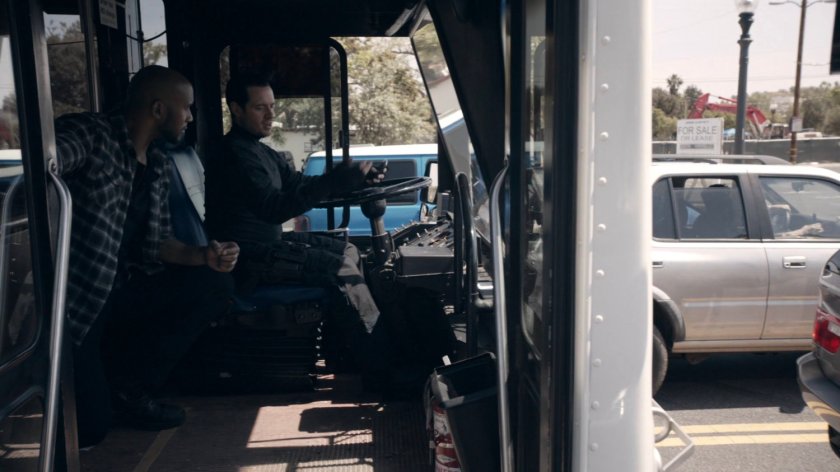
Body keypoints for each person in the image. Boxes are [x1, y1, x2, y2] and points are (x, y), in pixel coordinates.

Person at [52, 65, 240, 446]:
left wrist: (205, 256)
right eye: (185, 107)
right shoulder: (93, 135)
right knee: (89, 430)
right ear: (158, 110)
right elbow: (44, 164)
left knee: (214, 284)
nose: (190, 116)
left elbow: (157, 244)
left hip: (122, 289)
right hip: (80, 300)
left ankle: (130, 387)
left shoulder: (156, 165)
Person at [204, 73, 388, 380]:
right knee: (341, 271)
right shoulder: (234, 155)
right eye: (260, 108)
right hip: (247, 258)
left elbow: (300, 184)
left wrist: (353, 180)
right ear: (236, 110)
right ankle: (380, 365)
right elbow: (274, 209)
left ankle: (342, 349)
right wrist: (333, 181)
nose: (271, 115)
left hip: (268, 249)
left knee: (350, 249)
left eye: (273, 106)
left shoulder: (261, 151)